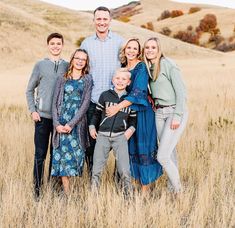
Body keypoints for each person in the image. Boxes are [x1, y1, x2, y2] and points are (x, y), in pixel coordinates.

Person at [106, 38, 162, 192]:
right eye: (128, 48)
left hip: (143, 114)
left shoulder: (141, 67)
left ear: (139, 51)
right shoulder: (122, 68)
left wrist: (117, 107)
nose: (131, 51)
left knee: (144, 148)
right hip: (128, 115)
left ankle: (145, 192)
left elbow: (138, 92)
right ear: (124, 50)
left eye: (134, 48)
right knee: (131, 149)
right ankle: (134, 187)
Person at [80, 6, 124, 175]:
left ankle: (118, 183)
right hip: (93, 102)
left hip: (116, 103)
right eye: (98, 19)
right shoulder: (87, 43)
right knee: (91, 145)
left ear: (110, 21)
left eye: (105, 19)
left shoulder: (120, 41)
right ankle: (94, 181)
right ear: (94, 21)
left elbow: (128, 69)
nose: (102, 22)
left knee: (119, 146)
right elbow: (82, 70)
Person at [26, 33, 68, 198]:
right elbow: (29, 89)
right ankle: (37, 190)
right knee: (40, 155)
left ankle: (53, 188)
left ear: (62, 45)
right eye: (52, 43)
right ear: (48, 45)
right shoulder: (40, 65)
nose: (55, 46)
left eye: (58, 43)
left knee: (55, 155)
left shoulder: (67, 66)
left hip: (60, 119)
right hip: (42, 117)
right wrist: (33, 110)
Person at [143, 37, 188, 193]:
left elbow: (181, 92)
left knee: (162, 156)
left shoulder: (169, 65)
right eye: (147, 47)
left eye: (153, 47)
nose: (149, 50)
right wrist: (150, 96)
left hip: (174, 111)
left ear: (158, 49)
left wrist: (177, 116)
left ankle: (179, 190)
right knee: (170, 153)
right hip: (159, 113)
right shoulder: (149, 67)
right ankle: (171, 187)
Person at [51, 49, 92, 194]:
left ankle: (76, 191)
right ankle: (67, 194)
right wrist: (57, 125)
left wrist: (71, 124)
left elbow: (85, 104)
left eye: (83, 59)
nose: (80, 61)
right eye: (77, 58)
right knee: (61, 160)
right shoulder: (62, 78)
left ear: (86, 62)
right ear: (72, 59)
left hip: (77, 124)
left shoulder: (87, 79)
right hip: (61, 124)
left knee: (76, 157)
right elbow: (55, 103)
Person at [89, 68, 136, 195]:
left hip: (120, 137)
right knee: (97, 168)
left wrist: (128, 133)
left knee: (124, 170)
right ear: (112, 79)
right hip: (103, 136)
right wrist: (92, 127)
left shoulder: (130, 100)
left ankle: (129, 196)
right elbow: (96, 114)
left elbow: (133, 121)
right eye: (117, 78)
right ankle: (94, 196)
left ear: (128, 82)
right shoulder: (105, 95)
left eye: (123, 79)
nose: (120, 81)